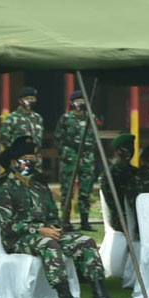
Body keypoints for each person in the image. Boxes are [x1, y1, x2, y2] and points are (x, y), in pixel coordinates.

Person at [0, 136, 125, 298]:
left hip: (46, 233)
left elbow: (52, 214)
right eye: (25, 159)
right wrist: (39, 229)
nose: (30, 162)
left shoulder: (39, 185)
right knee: (49, 244)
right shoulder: (3, 188)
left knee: (86, 242)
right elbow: (7, 226)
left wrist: (54, 227)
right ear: (13, 162)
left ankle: (100, 295)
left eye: (33, 158)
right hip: (18, 239)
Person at [54, 90, 96, 232]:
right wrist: (65, 153)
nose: (80, 104)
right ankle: (65, 222)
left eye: (82, 101)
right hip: (69, 158)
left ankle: (85, 221)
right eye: (77, 101)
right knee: (67, 191)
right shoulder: (66, 118)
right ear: (71, 103)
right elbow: (58, 138)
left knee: (86, 190)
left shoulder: (91, 118)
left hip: (87, 158)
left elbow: (94, 137)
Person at [103, 133, 141, 234]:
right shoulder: (110, 175)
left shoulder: (137, 172)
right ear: (116, 151)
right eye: (124, 149)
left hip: (139, 213)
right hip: (121, 217)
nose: (128, 153)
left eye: (131, 149)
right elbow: (112, 204)